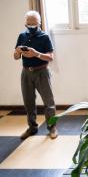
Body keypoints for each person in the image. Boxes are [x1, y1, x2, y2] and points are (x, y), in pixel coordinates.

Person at [14, 10, 57, 139]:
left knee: (48, 102)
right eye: (28, 24)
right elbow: (16, 57)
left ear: (39, 23)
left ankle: (52, 127)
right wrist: (17, 52)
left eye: (34, 24)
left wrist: (36, 53)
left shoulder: (44, 37)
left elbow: (50, 57)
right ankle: (32, 127)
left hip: (42, 71)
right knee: (28, 102)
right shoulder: (22, 36)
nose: (31, 27)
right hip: (26, 72)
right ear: (25, 23)